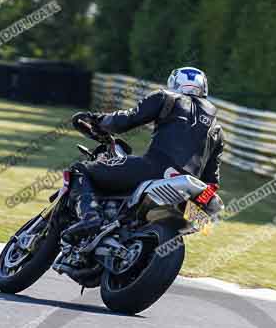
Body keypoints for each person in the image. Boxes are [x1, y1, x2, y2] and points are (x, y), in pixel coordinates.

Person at [64, 66, 224, 241]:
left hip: (153, 169)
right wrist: (201, 203)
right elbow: (211, 183)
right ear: (204, 88)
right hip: (188, 194)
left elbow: (125, 120)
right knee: (207, 222)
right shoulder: (217, 129)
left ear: (174, 83)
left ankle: (90, 217)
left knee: (79, 170)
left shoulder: (166, 97)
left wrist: (96, 120)